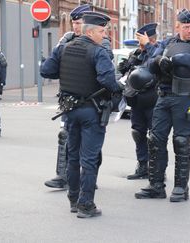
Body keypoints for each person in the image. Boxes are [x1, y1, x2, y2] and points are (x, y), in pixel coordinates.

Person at [41, 12, 122, 218]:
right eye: (102, 31)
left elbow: (47, 71)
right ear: (92, 31)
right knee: (89, 159)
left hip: (69, 111)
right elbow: (107, 80)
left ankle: (73, 200)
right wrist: (119, 88)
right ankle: (86, 205)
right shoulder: (98, 52)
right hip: (90, 111)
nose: (104, 36)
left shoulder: (64, 48)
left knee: (72, 156)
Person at [135, 9, 190, 202]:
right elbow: (152, 62)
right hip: (164, 97)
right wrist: (159, 60)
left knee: (181, 142)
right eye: (186, 27)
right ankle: (156, 186)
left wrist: (175, 60)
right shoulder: (168, 43)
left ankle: (180, 187)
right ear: (178, 26)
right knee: (156, 140)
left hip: (185, 98)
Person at [44, 4, 91, 189]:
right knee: (65, 136)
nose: (75, 27)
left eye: (78, 23)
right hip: (69, 99)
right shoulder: (67, 40)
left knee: (89, 143)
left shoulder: (98, 40)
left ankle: (89, 177)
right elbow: (51, 68)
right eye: (73, 23)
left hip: (89, 100)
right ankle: (62, 176)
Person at [117, 23, 159, 180]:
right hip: (136, 102)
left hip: (153, 101)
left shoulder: (157, 52)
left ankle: (157, 168)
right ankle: (142, 166)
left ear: (151, 39)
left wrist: (147, 47)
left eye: (141, 40)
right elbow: (125, 72)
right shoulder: (136, 53)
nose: (139, 44)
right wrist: (128, 63)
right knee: (137, 134)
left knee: (155, 137)